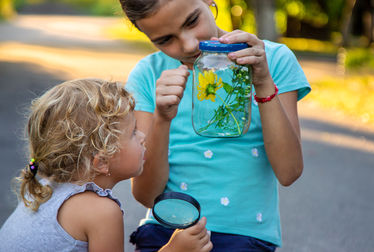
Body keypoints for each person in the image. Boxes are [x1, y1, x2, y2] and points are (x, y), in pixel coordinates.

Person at [119, 0, 311, 251]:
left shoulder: (272, 60)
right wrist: (162, 119)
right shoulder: (148, 74)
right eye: (165, 39)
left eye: (191, 21)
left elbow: (289, 172)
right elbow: (146, 196)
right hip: (166, 233)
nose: (188, 44)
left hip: (246, 238)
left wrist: (263, 82)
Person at [0, 78, 212, 252]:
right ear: (101, 161)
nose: (142, 137)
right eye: (133, 132)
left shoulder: (44, 184)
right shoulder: (102, 212)